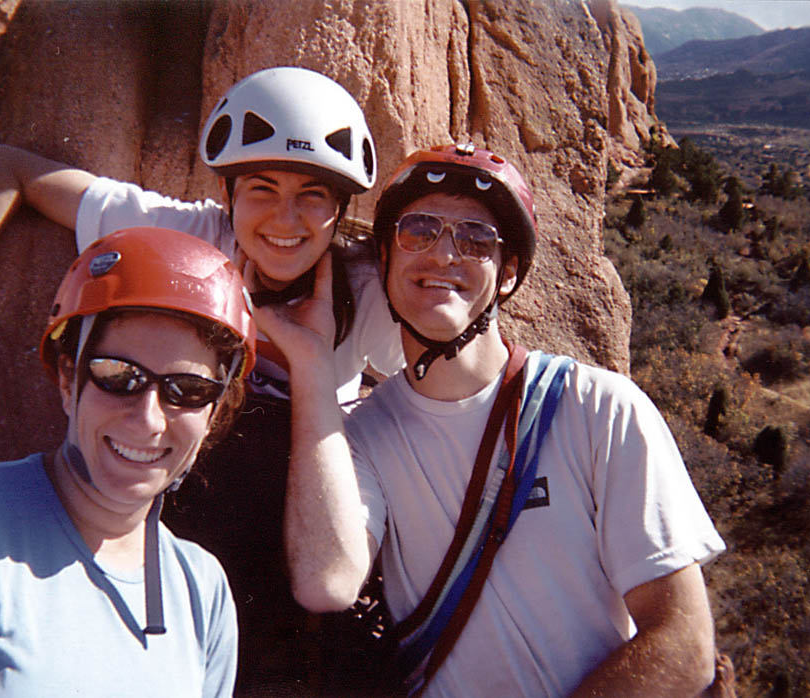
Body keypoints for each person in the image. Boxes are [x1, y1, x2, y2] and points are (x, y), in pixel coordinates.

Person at [0, 66, 403, 691]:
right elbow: (6, 168)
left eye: (313, 194)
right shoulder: (186, 238)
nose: (287, 218)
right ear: (229, 194)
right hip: (181, 480)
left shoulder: (362, 287)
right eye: (262, 189)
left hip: (295, 496)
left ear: (340, 210)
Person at [273, 143, 729, 696]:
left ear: (508, 273)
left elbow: (683, 642)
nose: (444, 254)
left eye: (475, 239)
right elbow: (326, 582)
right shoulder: (363, 439)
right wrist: (312, 366)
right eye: (418, 230)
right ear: (385, 259)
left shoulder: (597, 408)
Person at [0, 226, 255, 697]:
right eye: (118, 375)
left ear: (212, 413)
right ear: (69, 380)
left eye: (188, 390)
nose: (149, 420)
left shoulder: (200, 588)